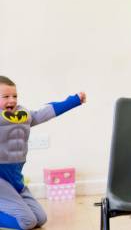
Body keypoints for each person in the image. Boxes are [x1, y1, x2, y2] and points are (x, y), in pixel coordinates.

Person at [0, 76, 86, 229]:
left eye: (14, 96)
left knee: (40, 218)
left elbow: (46, 112)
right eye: (5, 96)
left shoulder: (24, 114)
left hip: (15, 175)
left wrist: (74, 101)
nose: (11, 100)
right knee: (27, 222)